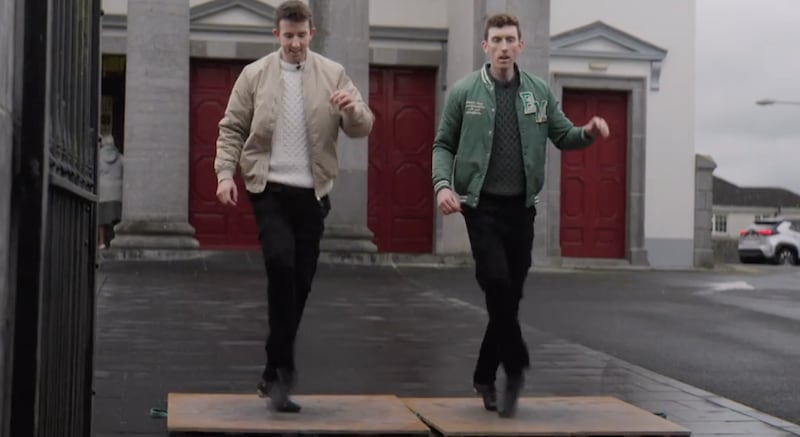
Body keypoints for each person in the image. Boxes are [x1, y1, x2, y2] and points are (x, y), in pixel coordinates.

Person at [431, 13, 610, 418]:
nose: (504, 46)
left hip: (521, 210)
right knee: (495, 281)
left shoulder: (538, 92)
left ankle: (482, 375)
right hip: (480, 207)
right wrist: (443, 185)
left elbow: (563, 135)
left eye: (511, 39)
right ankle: (514, 368)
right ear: (485, 46)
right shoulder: (464, 92)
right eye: (497, 39)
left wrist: (589, 132)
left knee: (507, 297)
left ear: (521, 45)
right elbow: (443, 144)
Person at [213, 0, 374, 413]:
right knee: (281, 264)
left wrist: (351, 109)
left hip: (313, 193)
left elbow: (362, 126)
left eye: (302, 36)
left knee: (300, 283)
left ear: (311, 33)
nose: (296, 44)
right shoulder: (255, 75)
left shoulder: (332, 73)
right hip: (268, 187)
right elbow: (231, 127)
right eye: (289, 37)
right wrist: (224, 174)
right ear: (276, 35)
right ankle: (283, 373)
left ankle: (271, 371)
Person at [97, 133, 123, 248]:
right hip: (117, 191)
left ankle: (102, 241)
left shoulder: (98, 157)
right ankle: (115, 239)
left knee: (101, 219)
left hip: (103, 190)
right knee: (116, 217)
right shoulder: (120, 157)